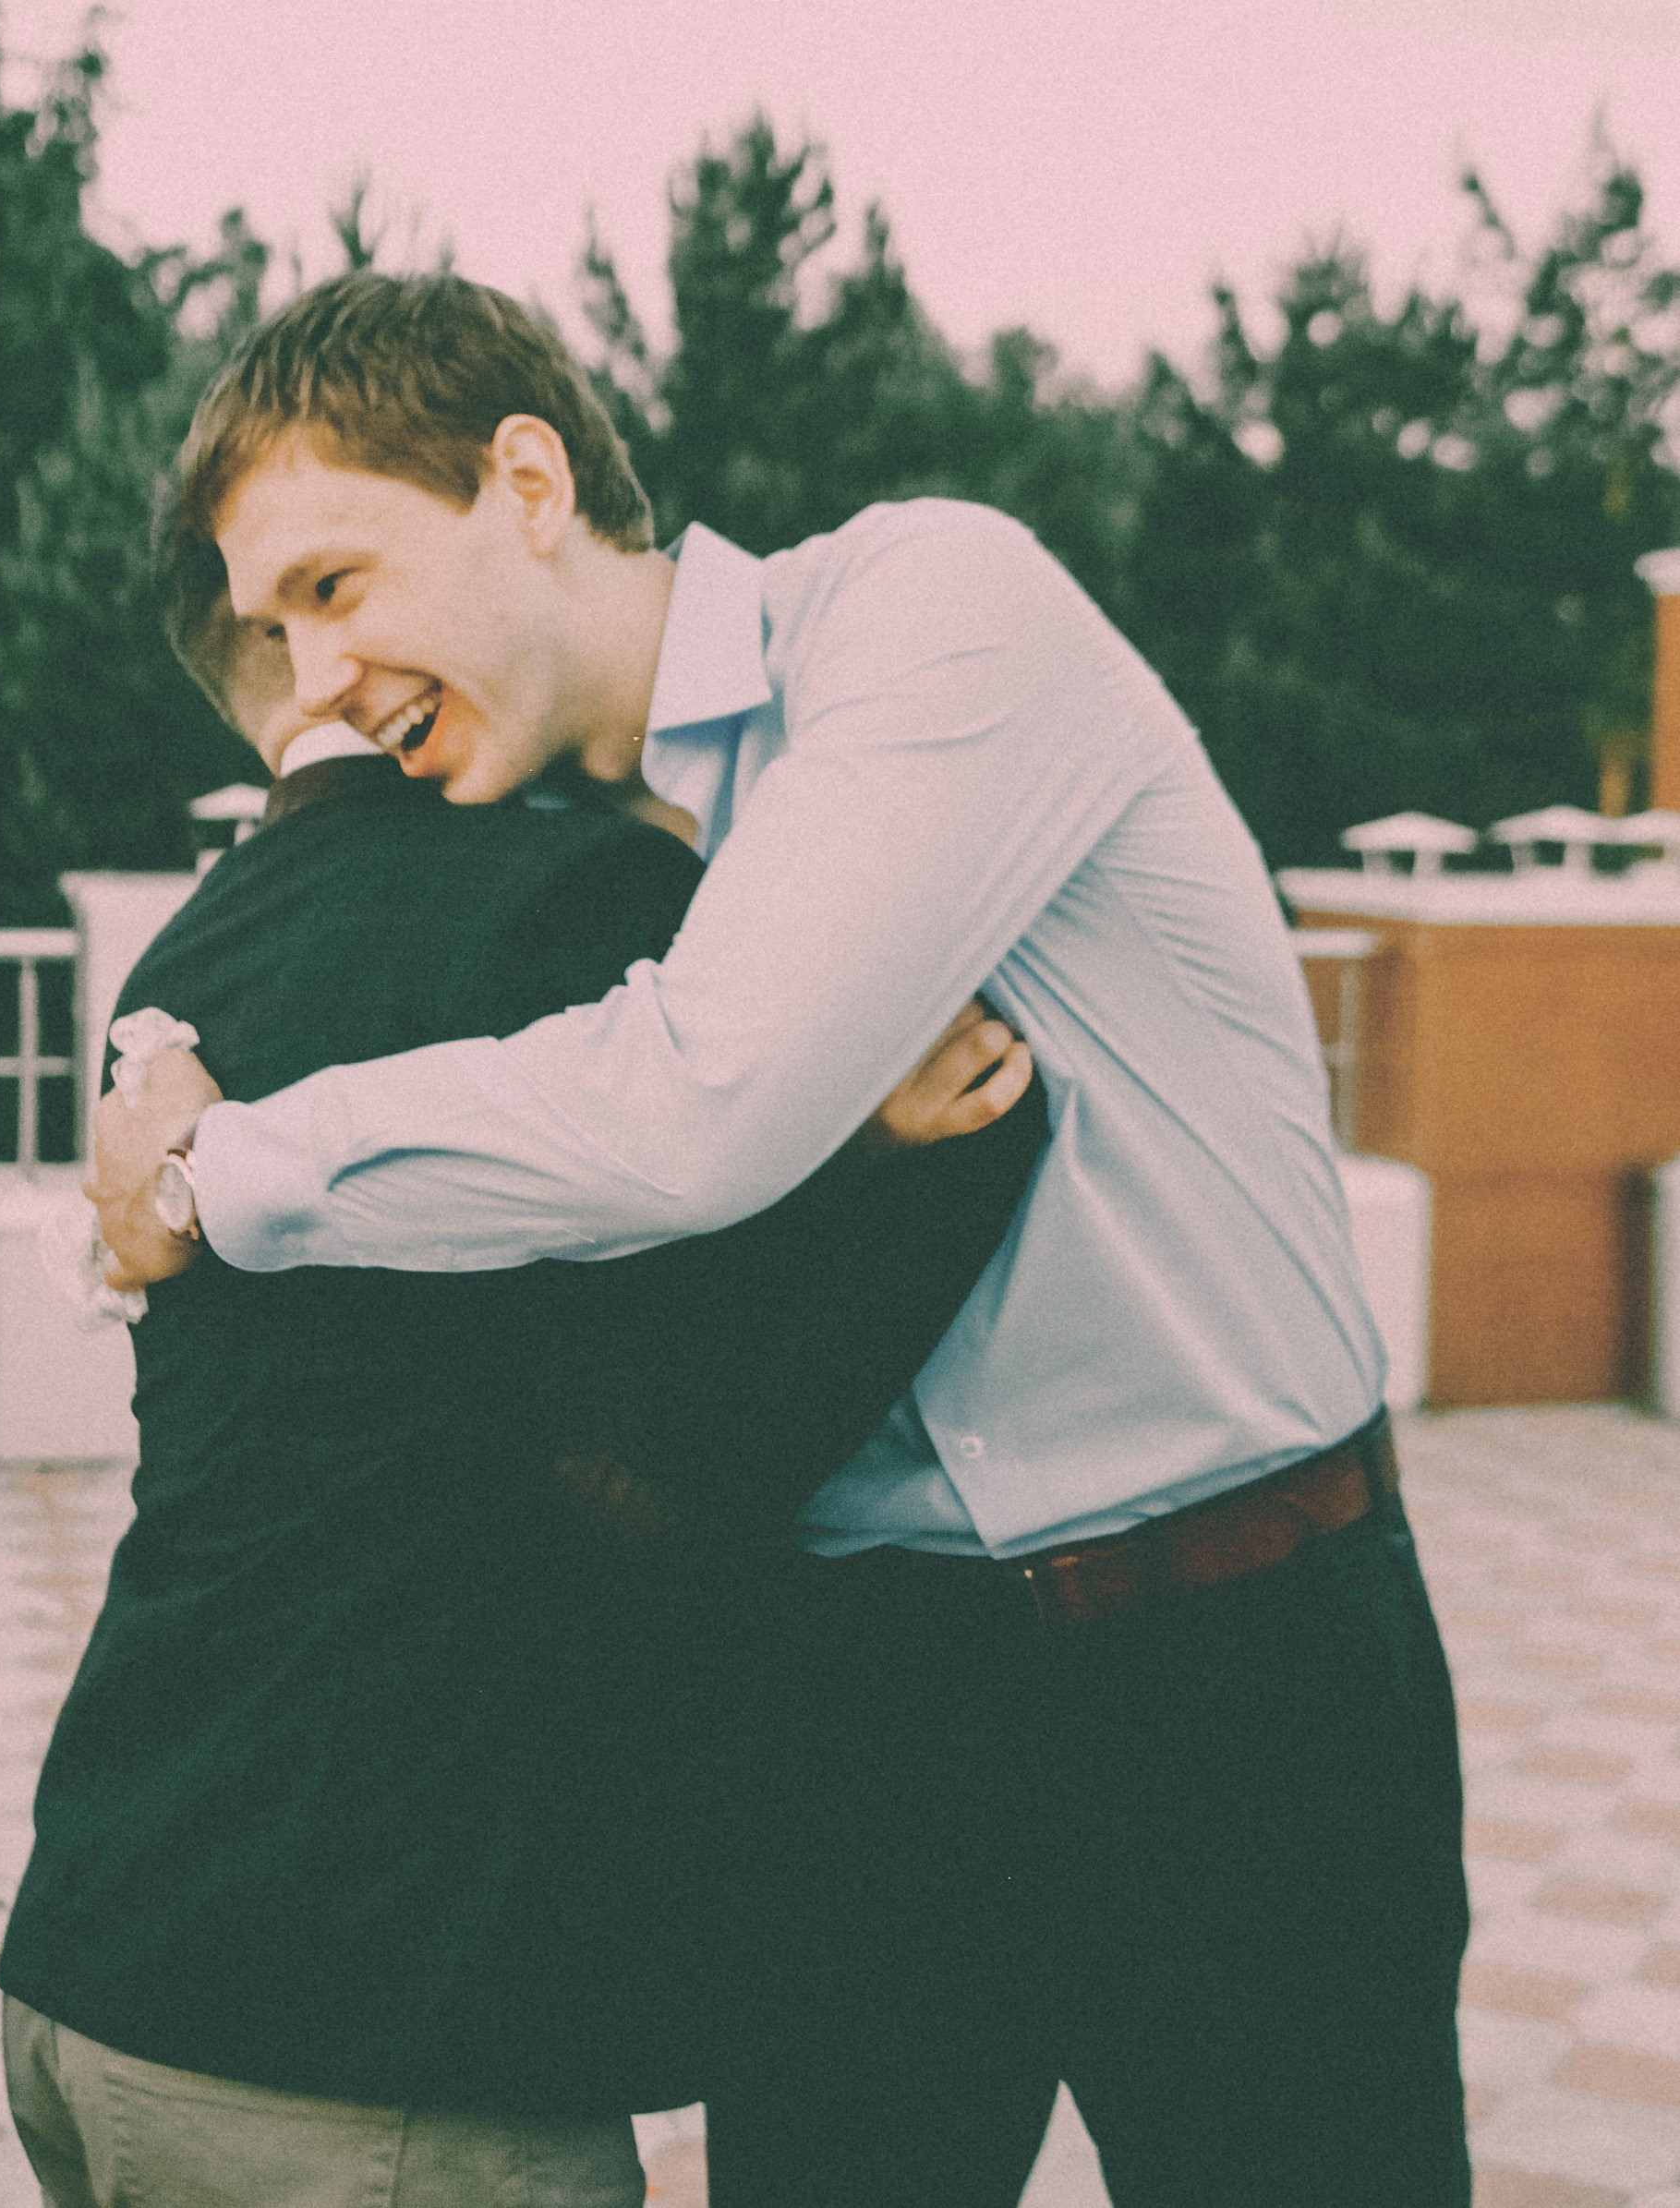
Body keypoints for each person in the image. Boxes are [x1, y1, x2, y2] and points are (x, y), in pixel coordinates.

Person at [91, 270, 1471, 2208]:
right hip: (850, 1705)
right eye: (266, 631)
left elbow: (694, 1104)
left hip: (1231, 1656)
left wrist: (214, 1175)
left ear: (524, 478)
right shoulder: (545, 877)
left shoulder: (930, 610)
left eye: (335, 585)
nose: (309, 680)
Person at [0, 578, 1047, 2206]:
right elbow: (685, 1449)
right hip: (369, 2033)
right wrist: (886, 1155)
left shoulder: (189, 949)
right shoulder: (573, 901)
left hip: (97, 1942)